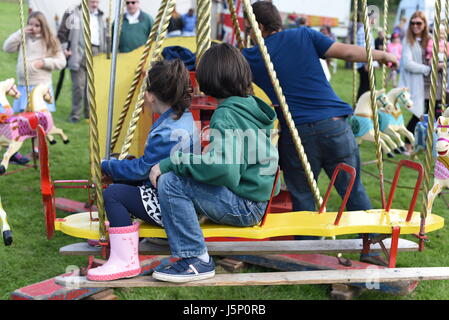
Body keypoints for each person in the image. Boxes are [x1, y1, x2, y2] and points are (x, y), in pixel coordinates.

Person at [242, 1, 397, 264]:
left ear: (258, 26)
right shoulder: (304, 34)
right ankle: (371, 248)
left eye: (248, 27)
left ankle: (307, 254)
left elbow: (230, 80)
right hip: (334, 125)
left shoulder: (252, 56)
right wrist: (381, 55)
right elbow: (346, 53)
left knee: (302, 195)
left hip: (297, 134)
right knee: (352, 190)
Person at [149, 43, 279, 283]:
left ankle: (195, 258)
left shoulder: (225, 114)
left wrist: (169, 163)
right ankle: (180, 233)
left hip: (245, 207)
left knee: (171, 181)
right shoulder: (249, 107)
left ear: (208, 79)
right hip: (258, 200)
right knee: (186, 175)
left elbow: (224, 170)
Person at [87, 59, 198, 281]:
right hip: (184, 194)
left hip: (171, 204)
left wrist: (108, 164)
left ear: (150, 95)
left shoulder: (165, 131)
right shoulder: (185, 118)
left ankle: (124, 260)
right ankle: (120, 234)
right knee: (124, 181)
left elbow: (142, 169)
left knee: (113, 194)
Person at [3, 11, 66, 113]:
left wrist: (44, 62)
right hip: (24, 85)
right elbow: (7, 48)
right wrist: (20, 33)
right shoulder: (23, 38)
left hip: (40, 87)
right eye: (30, 24)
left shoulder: (50, 40)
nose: (33, 28)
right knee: (24, 119)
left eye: (37, 25)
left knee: (40, 117)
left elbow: (61, 62)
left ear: (43, 26)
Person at [57, 0, 107, 123]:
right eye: (92, 1)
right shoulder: (73, 12)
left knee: (91, 86)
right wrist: (64, 48)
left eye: (97, 2)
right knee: (78, 86)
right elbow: (62, 32)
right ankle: (75, 114)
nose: (94, 4)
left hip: (96, 52)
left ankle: (89, 114)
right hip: (78, 51)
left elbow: (104, 36)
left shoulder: (101, 16)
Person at [398, 11, 435, 152]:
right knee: (417, 115)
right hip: (417, 82)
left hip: (432, 83)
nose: (415, 26)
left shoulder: (431, 38)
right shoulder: (408, 41)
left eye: (419, 23)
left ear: (424, 24)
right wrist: (427, 69)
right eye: (413, 23)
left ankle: (425, 144)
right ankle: (408, 145)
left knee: (430, 115)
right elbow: (407, 63)